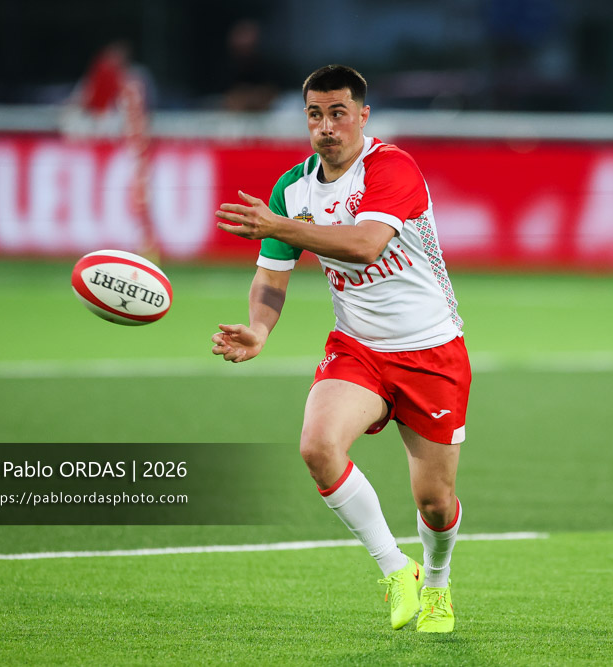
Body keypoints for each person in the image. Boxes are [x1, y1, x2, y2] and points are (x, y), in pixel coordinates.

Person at [213, 64, 469, 633]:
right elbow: (272, 276)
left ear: (362, 116)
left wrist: (279, 225)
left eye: (338, 113)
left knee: (434, 502)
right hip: (357, 348)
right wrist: (259, 329)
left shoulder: (392, 167)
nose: (326, 127)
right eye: (314, 114)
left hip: (431, 352)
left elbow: (364, 244)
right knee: (317, 446)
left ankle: (437, 582)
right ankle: (393, 569)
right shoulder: (293, 189)